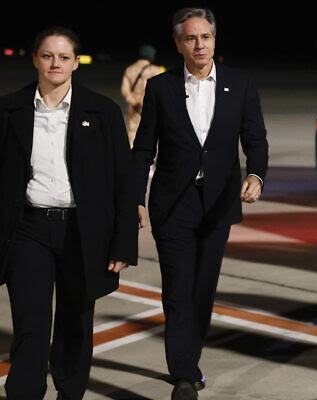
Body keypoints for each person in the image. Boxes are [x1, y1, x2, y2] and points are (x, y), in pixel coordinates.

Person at [132, 7, 268, 400]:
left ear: (214, 40)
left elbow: (255, 138)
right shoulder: (160, 88)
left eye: (205, 36)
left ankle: (189, 359)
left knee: (202, 288)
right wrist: (134, 200)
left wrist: (256, 175)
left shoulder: (240, 84)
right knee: (177, 288)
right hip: (173, 204)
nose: (199, 44)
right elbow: (143, 150)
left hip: (218, 203)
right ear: (178, 44)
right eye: (190, 38)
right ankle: (184, 373)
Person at [0, 27, 137, 399]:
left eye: (63, 57)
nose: (55, 63)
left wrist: (122, 242)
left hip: (82, 232)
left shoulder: (102, 111)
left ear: (77, 63)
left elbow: (123, 182)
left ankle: (70, 393)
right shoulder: (9, 109)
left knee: (75, 324)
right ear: (35, 60)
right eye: (47, 55)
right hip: (28, 231)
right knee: (30, 325)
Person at [120, 44, 162, 147]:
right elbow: (159, 90)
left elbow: (125, 90)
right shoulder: (155, 70)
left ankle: (132, 159)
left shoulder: (130, 69)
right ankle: (149, 162)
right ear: (151, 57)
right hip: (151, 107)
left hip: (135, 107)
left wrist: (134, 103)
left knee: (133, 133)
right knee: (152, 134)